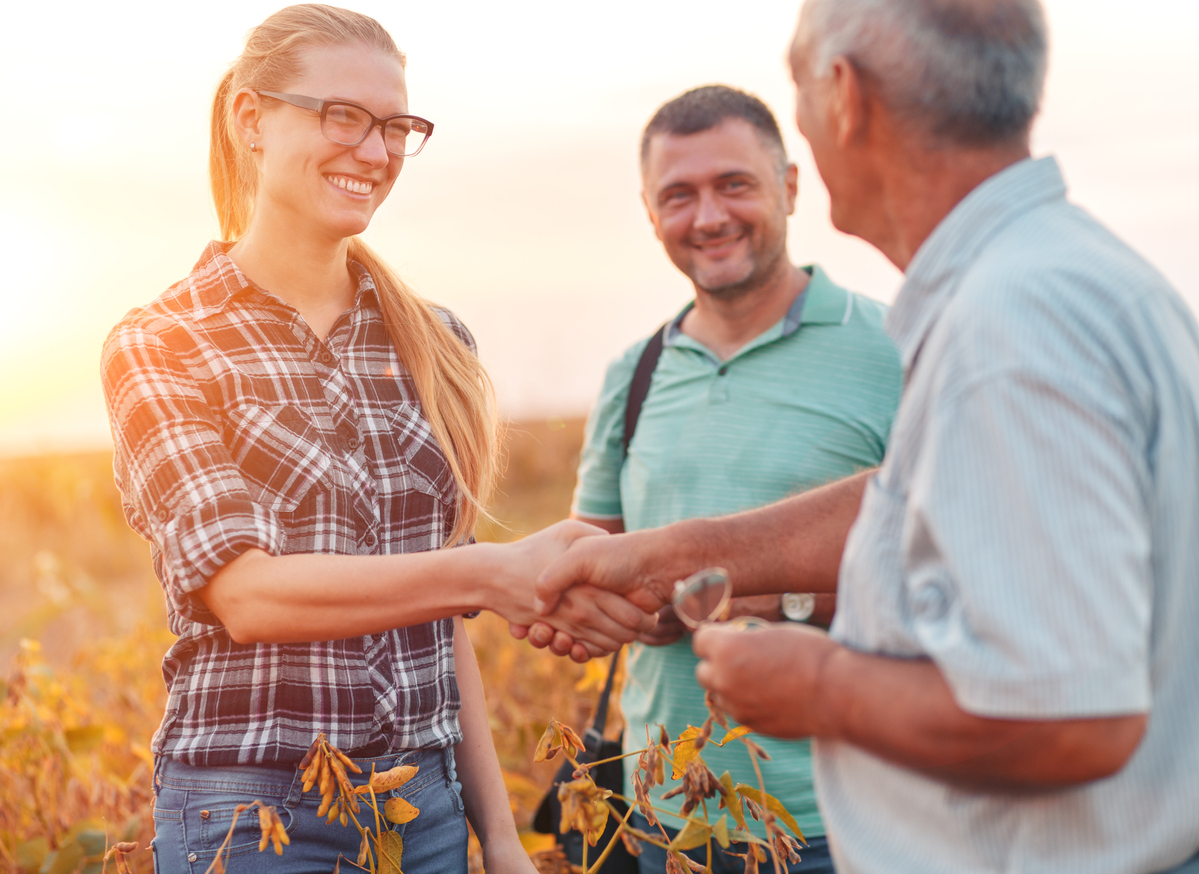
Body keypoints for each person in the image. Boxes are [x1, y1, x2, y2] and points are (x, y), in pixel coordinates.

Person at [527, 0, 1199, 872]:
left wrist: (821, 687)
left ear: (842, 95)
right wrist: (675, 552)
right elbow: (916, 502)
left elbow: (1076, 721)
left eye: (798, 95)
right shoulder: (1054, 279)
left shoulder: (1008, 330)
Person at [100, 6, 652, 873]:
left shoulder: (435, 342)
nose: (375, 150)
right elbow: (246, 596)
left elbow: (438, 619)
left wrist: (497, 836)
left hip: (424, 811)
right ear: (252, 119)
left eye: (396, 126)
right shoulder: (164, 341)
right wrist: (491, 574)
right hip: (251, 819)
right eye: (343, 117)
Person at [570, 85, 900, 874]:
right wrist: (609, 609)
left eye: (734, 185)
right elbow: (592, 557)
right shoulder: (634, 372)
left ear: (788, 185)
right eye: (677, 196)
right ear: (650, 214)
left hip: (851, 820)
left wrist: (763, 600)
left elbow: (962, 571)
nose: (708, 217)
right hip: (663, 820)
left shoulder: (898, 345)